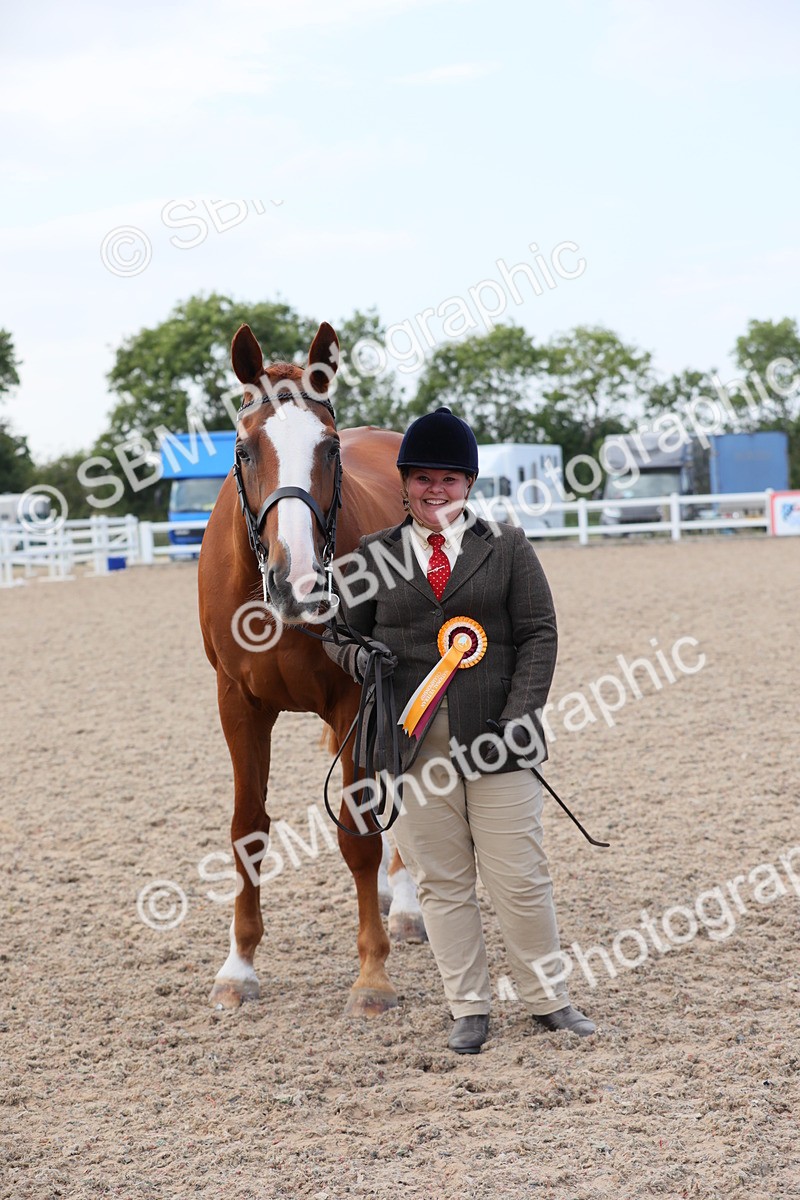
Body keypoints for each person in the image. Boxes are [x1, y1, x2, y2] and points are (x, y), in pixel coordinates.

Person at [326, 406, 595, 1053]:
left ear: (468, 483)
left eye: (449, 478)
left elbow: (539, 634)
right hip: (412, 742)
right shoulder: (374, 556)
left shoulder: (507, 547)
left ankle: (547, 998)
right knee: (442, 881)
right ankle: (468, 1006)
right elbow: (338, 634)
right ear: (405, 484)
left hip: (498, 738)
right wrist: (363, 659)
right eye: (423, 478)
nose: (435, 490)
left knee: (519, 876)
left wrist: (521, 715)